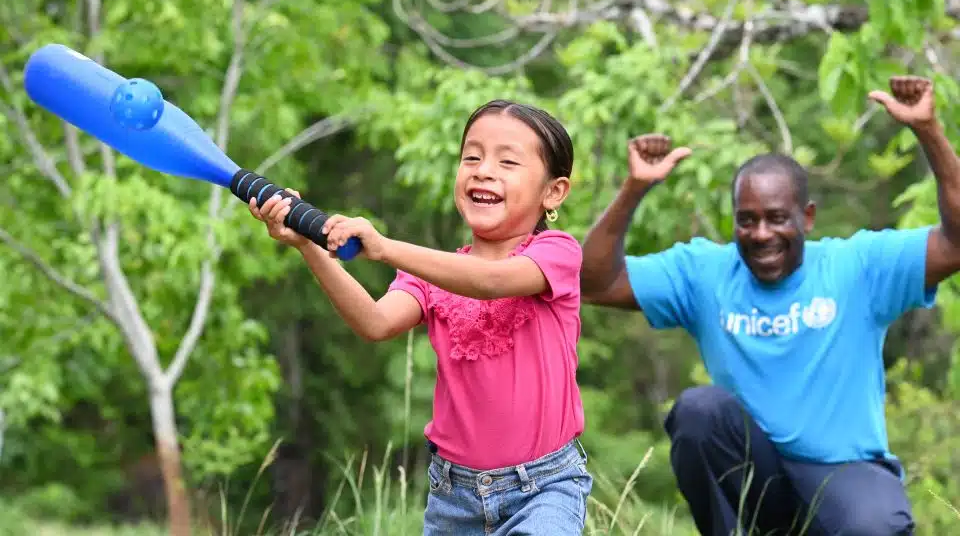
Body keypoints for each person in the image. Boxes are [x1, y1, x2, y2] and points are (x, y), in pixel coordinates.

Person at [579, 76, 960, 536]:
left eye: (778, 218)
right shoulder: (705, 272)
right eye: (747, 220)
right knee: (699, 411)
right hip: (757, 479)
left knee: (875, 524)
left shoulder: (858, 266)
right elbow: (592, 282)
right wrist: (634, 189)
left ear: (808, 216)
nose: (761, 233)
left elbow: (956, 243)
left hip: (843, 473)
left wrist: (929, 132)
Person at [249, 100, 592, 536]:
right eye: (472, 156)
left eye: (508, 161)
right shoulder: (429, 275)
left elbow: (490, 280)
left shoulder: (556, 253)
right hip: (454, 498)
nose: (484, 170)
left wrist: (384, 246)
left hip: (544, 488)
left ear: (554, 192)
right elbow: (374, 322)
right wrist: (308, 246)